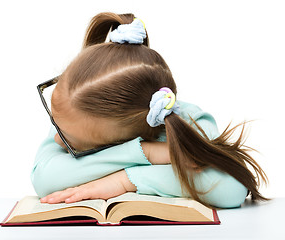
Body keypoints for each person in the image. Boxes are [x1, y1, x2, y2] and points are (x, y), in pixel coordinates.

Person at [31, 12, 269, 209]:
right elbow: (45, 179)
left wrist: (125, 180)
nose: (55, 140)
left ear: (124, 138)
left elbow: (230, 188)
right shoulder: (74, 115)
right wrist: (148, 153)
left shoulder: (191, 122)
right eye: (57, 127)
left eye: (68, 139)